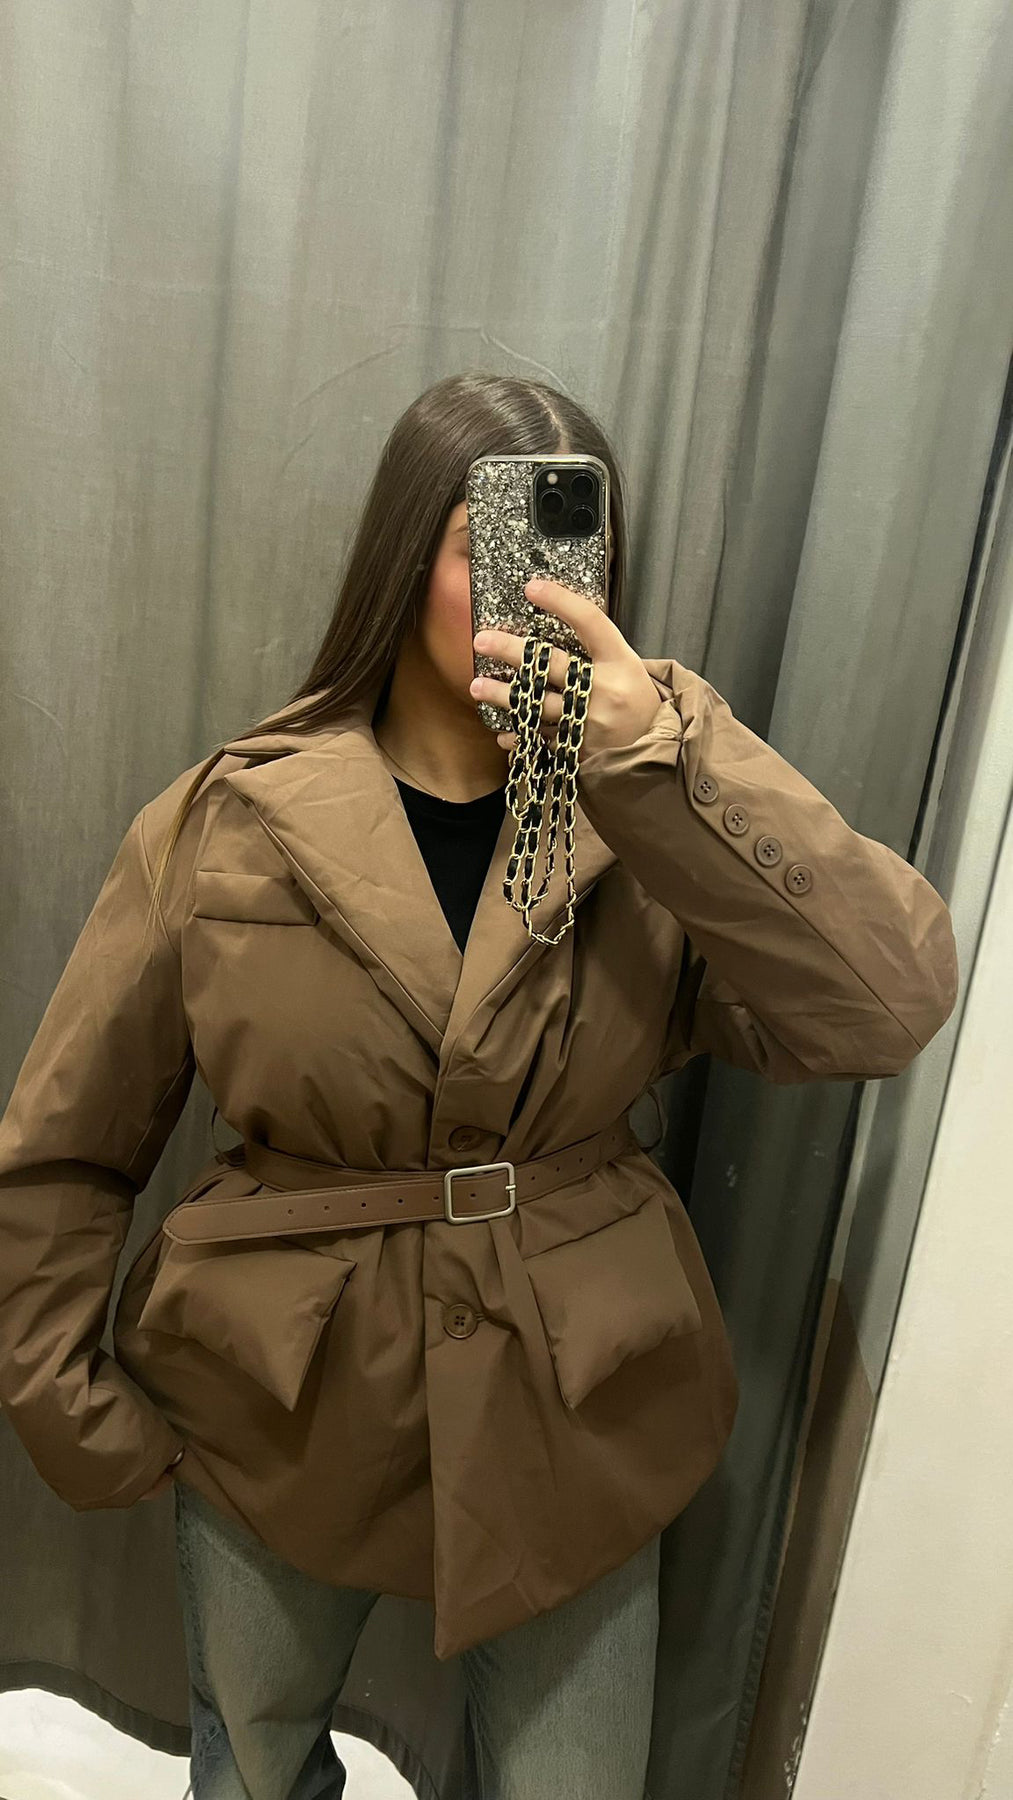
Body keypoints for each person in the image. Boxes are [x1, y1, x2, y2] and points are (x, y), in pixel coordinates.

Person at [0, 372, 959, 1800]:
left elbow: (887, 1003)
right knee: (250, 1775)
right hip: (282, 1399)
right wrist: (66, 1402)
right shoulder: (223, 825)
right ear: (406, 559)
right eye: (492, 545)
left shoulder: (656, 826)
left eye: (579, 547)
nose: (544, 587)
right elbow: (65, 1147)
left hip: (579, 1404)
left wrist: (669, 760)